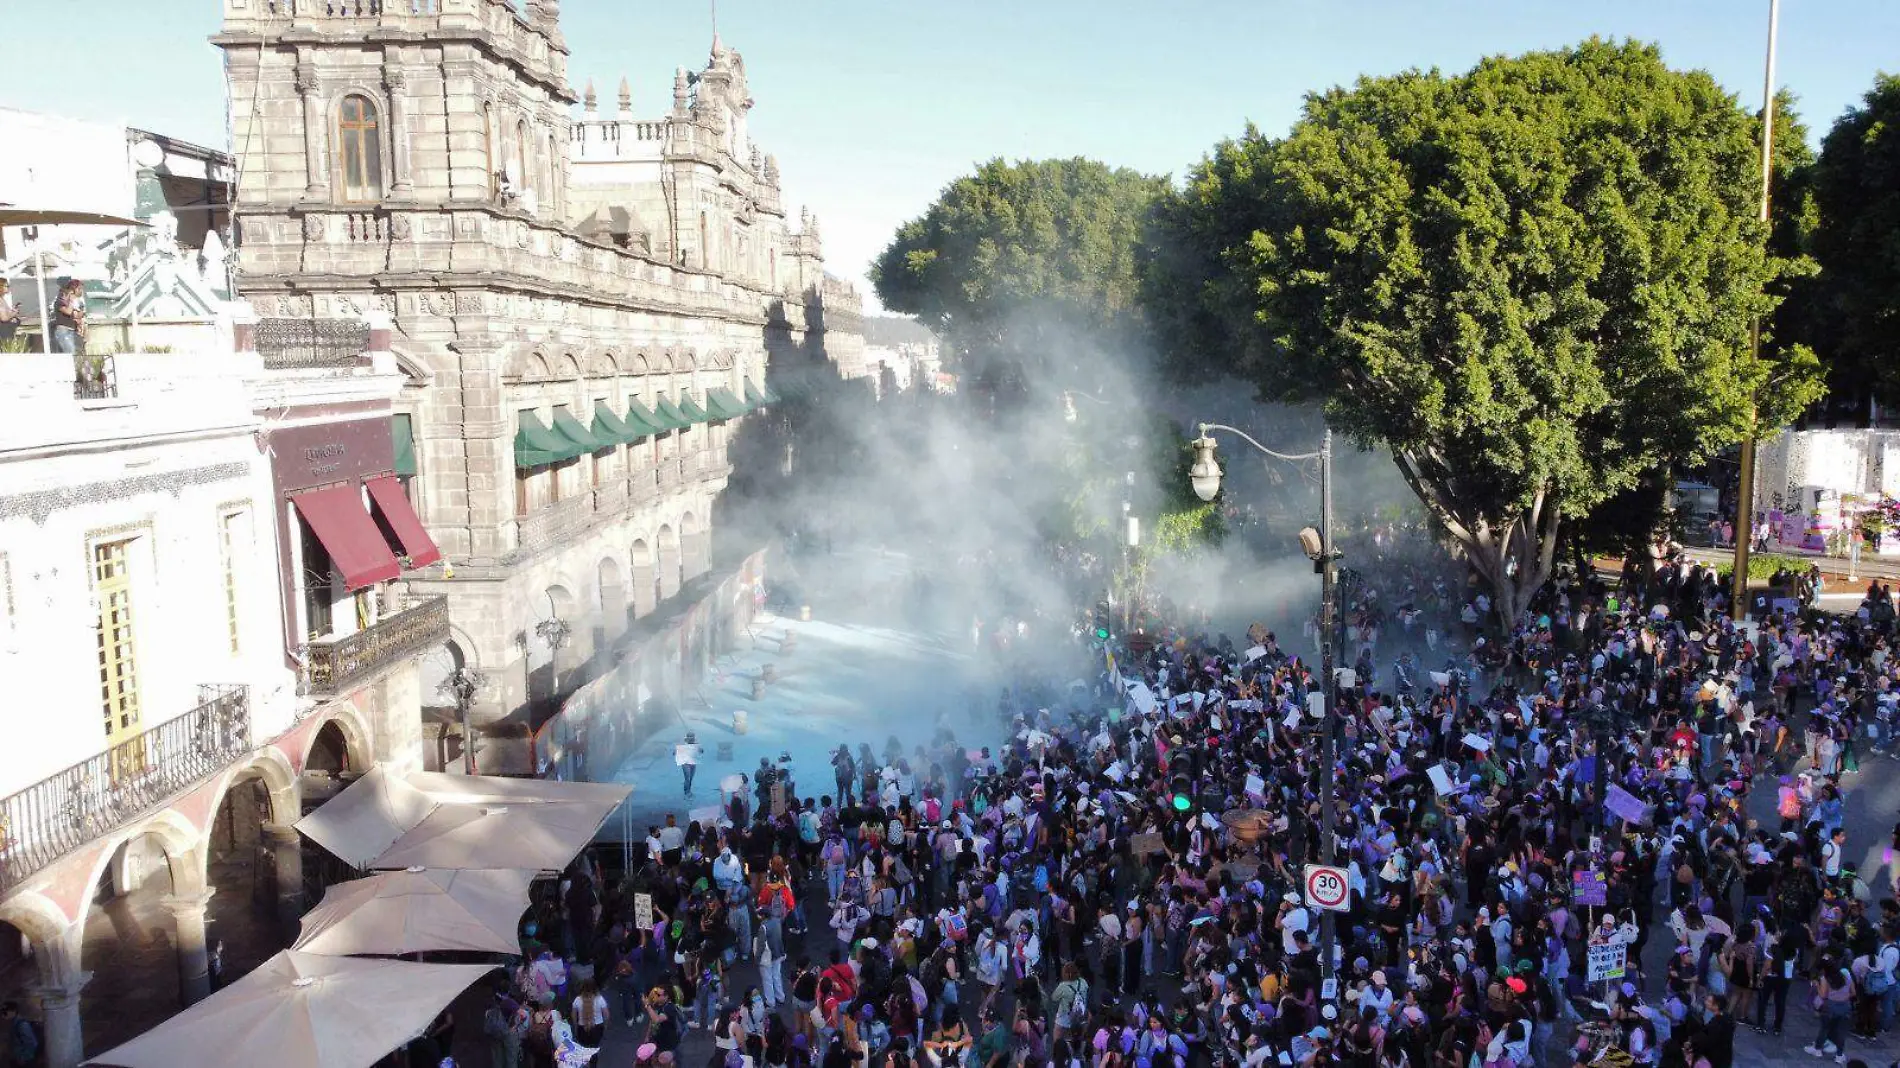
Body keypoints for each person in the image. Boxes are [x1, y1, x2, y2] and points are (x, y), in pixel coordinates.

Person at [51, 279, 85, 356]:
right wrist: (71, 300)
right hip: (63, 331)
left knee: (76, 353)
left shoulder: (73, 304)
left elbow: (77, 315)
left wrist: (81, 311)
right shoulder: (59, 303)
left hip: (72, 330)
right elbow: (68, 312)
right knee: (71, 353)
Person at [1, 1003, 37, 1068]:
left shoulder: (22, 1025)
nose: (3, 1015)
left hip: (23, 1062)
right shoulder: (14, 1023)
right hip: (16, 1060)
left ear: (13, 1011)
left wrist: (23, 1058)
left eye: (5, 1012)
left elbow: (32, 1043)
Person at [677, 731, 703, 797]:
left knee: (691, 778)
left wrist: (700, 750)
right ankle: (686, 792)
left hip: (693, 762)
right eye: (690, 737)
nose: (691, 738)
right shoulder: (683, 744)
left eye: (692, 737)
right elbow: (676, 752)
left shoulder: (696, 744)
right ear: (687, 737)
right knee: (687, 778)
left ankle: (689, 790)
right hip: (685, 763)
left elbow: (701, 751)